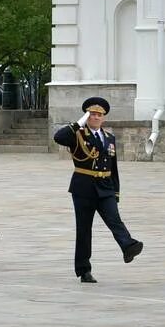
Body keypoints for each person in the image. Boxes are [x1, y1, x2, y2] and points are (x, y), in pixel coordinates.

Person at [53, 97, 143, 283]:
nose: (95, 117)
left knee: (115, 220)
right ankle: (84, 270)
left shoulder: (109, 138)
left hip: (105, 187)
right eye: (92, 114)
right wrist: (78, 123)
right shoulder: (77, 135)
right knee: (84, 230)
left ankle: (128, 246)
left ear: (103, 117)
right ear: (87, 116)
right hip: (84, 187)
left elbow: (114, 167)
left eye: (99, 115)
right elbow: (58, 137)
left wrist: (116, 192)